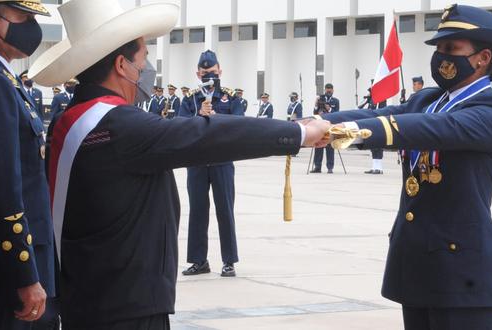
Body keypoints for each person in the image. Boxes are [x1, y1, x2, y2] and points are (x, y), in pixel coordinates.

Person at [29, 1, 330, 328]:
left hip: (88, 294)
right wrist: (297, 132)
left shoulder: (70, 119)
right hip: (124, 305)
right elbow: (207, 135)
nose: (147, 68)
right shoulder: (118, 126)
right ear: (121, 65)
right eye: (143, 58)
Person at [318, 5, 492, 329]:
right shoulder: (429, 100)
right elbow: (375, 114)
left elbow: (426, 128)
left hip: (467, 281)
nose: (442, 55)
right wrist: (315, 125)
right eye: (439, 48)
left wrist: (348, 134)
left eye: (452, 48)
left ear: (483, 58)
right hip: (420, 268)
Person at [0, 1, 58, 329]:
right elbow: (2, 190)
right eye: (25, 18)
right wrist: (25, 276)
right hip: (2, 276)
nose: (32, 28)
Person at [179, 50, 246, 277]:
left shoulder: (231, 98)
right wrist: (198, 115)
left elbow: (239, 127)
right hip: (197, 163)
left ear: (220, 71)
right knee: (197, 212)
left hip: (221, 161)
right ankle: (199, 260)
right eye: (206, 73)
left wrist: (217, 117)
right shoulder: (190, 99)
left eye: (214, 72)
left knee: (225, 211)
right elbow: (179, 127)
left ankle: (229, 261)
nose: (210, 76)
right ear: (197, 74)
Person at [359, 83, 387, 174]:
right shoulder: (370, 100)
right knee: (373, 146)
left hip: (379, 125)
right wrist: (367, 98)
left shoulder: (382, 99)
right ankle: (374, 167)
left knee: (378, 146)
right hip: (371, 125)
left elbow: (381, 111)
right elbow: (360, 107)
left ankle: (379, 168)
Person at [311, 83, 340, 173]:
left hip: (330, 126)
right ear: (325, 89)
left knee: (330, 147)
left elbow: (337, 113)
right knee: (318, 146)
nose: (329, 90)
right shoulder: (321, 99)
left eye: (330, 89)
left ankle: (330, 167)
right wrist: (316, 104)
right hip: (320, 126)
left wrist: (329, 109)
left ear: (333, 90)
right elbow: (315, 112)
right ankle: (317, 167)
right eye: (327, 89)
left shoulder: (335, 101)